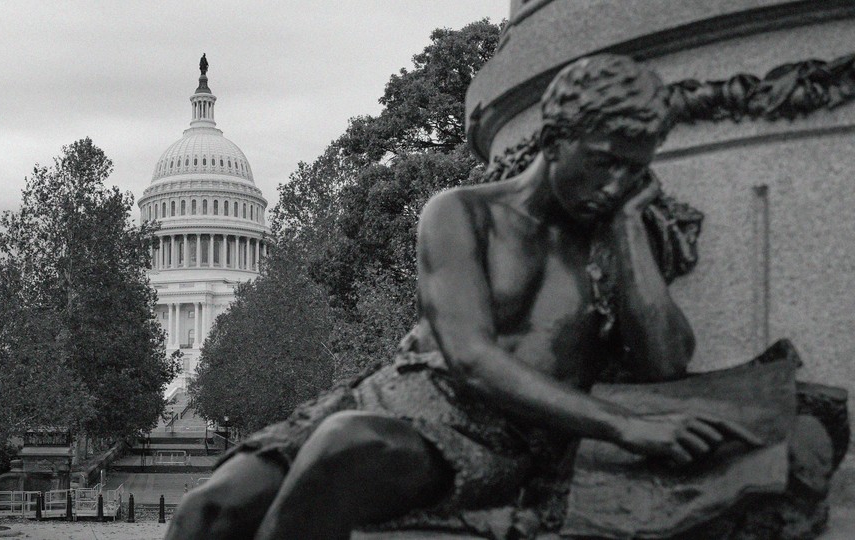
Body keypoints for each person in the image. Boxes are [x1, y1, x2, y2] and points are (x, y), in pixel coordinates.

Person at [164, 55, 809, 540]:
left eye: (634, 167)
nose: (619, 182)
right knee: (207, 508)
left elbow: (665, 364)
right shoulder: (459, 212)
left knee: (347, 450)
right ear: (558, 139)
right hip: (387, 395)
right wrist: (627, 425)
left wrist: (625, 229)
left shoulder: (622, 233)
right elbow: (469, 353)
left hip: (495, 436)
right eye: (606, 161)